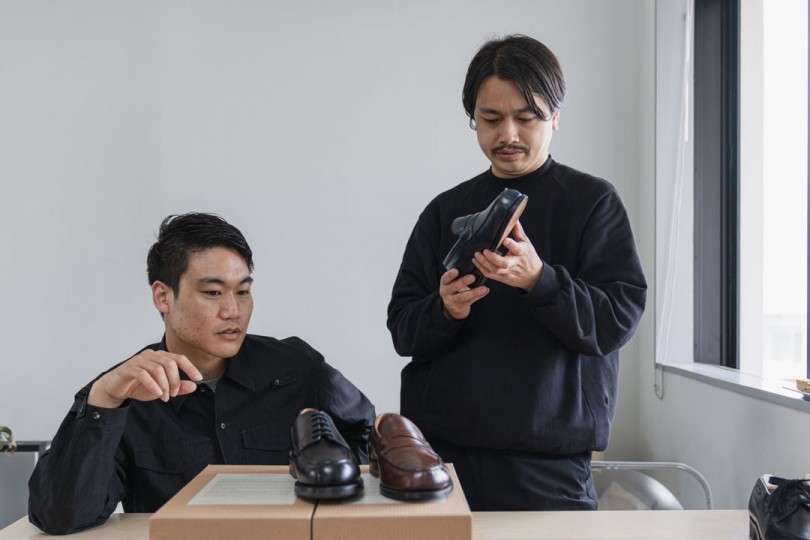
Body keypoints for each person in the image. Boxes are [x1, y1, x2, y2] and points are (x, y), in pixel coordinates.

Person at [387, 35, 647, 511]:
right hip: (443, 458)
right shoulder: (444, 211)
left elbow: (615, 321)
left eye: (526, 118)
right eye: (490, 119)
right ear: (474, 119)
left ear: (555, 118)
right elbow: (403, 330)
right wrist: (444, 309)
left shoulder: (592, 203)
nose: (507, 134)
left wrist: (539, 280)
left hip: (549, 464)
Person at [28, 212, 375, 534]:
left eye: (243, 291)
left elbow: (368, 437)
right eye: (213, 292)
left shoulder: (297, 368)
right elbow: (60, 516)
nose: (233, 310)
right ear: (163, 297)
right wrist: (104, 400)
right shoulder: (122, 394)